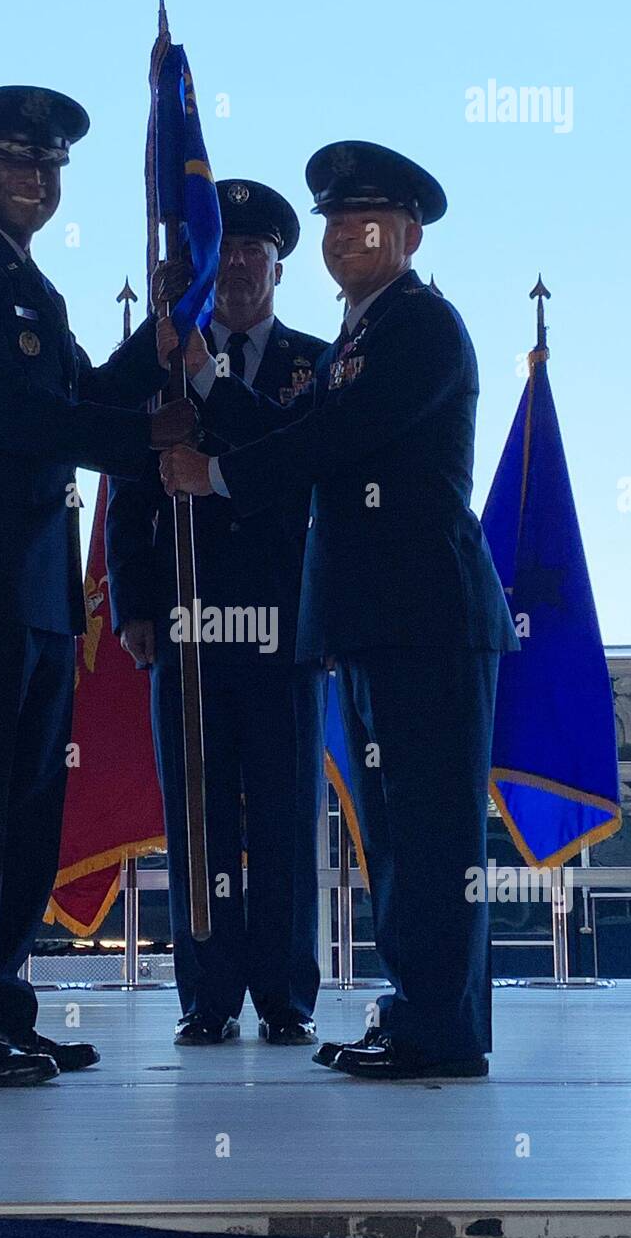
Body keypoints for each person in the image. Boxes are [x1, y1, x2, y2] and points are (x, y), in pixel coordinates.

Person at [158, 141, 520, 1080]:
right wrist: (202, 381)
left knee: (430, 835)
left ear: (405, 236)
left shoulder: (419, 326)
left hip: (424, 619)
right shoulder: (363, 334)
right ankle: (422, 1015)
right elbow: (292, 426)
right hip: (373, 623)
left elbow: (330, 439)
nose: (345, 235)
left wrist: (216, 472)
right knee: (396, 834)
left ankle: (436, 1028)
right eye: (334, 221)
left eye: (366, 221)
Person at [0, 85, 197, 1086]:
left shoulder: (33, 289)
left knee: (22, 822)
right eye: (16, 157)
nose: (36, 176)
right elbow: (14, 420)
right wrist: (151, 439)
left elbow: (78, 398)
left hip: (36, 598)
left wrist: (155, 344)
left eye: (51, 164)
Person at [107, 180, 328, 1045]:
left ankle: (283, 996)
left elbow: (299, 464)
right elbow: (127, 485)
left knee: (282, 815)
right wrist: (133, 601)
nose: (236, 266)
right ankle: (205, 996)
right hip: (185, 625)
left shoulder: (317, 364)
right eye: (222, 252)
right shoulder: (165, 361)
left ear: (278, 266)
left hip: (281, 626)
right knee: (195, 817)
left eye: (252, 253)